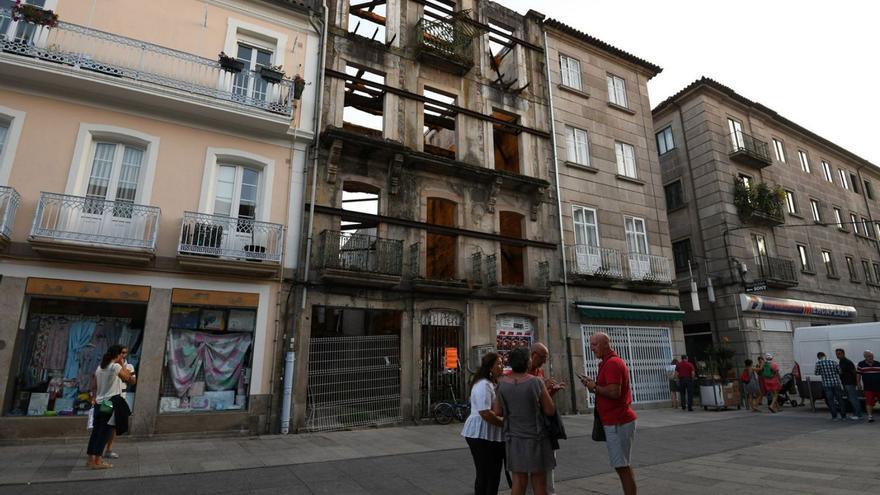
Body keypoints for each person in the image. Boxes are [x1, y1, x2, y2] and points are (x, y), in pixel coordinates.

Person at [492, 347, 556, 495]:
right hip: (536, 437)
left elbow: (497, 412)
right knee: (539, 482)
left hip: (514, 438)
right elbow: (549, 410)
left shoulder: (502, 384)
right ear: (527, 362)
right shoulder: (536, 382)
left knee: (518, 482)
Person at [579, 332, 637, 495]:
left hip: (618, 420)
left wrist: (594, 388)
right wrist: (594, 384)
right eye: (590, 345)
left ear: (606, 344)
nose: (591, 348)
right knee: (621, 465)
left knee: (622, 466)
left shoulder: (612, 363)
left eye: (595, 344)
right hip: (614, 420)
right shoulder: (607, 363)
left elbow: (614, 392)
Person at [461, 352, 505, 495]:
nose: (502, 366)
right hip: (480, 433)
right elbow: (485, 412)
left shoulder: (494, 383)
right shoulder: (483, 385)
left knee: (494, 473)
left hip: (492, 433)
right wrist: (503, 423)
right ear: (490, 367)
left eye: (502, 362)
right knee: (485, 472)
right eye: (498, 363)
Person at [86, 345, 136, 469]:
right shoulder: (115, 366)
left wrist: (93, 397)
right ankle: (97, 460)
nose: (123, 356)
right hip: (109, 402)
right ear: (117, 355)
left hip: (99, 401)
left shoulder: (100, 367)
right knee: (104, 431)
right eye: (122, 354)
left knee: (96, 432)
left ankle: (90, 459)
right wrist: (123, 365)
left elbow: (94, 385)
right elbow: (127, 378)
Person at [527, 343, 564, 495]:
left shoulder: (540, 372)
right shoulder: (522, 376)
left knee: (548, 466)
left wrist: (551, 392)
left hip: (545, 426)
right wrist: (542, 386)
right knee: (530, 469)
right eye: (542, 358)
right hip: (529, 428)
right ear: (533, 354)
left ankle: (549, 491)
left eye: (546, 358)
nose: (544, 361)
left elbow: (544, 402)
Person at [103, 346, 136, 459]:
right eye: (121, 352)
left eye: (125, 353)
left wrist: (123, 367)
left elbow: (132, 381)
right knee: (104, 422)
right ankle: (98, 448)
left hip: (121, 396)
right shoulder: (110, 365)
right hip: (108, 397)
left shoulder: (129, 366)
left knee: (114, 424)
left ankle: (109, 449)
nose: (123, 355)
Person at [814, 351, 844, 421]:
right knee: (840, 400)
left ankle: (834, 416)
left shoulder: (818, 363)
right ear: (825, 355)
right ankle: (843, 416)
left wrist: (823, 372)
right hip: (836, 383)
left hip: (827, 384)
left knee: (830, 401)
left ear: (818, 357)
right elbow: (839, 371)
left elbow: (816, 373)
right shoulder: (833, 361)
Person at [836, 348, 863, 420]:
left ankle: (858, 414)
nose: (838, 355)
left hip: (849, 383)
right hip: (845, 383)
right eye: (837, 354)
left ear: (843, 354)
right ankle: (856, 413)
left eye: (839, 354)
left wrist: (856, 382)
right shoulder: (841, 361)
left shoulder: (847, 362)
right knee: (850, 399)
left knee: (853, 398)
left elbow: (854, 372)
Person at [856, 350, 879, 423]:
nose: (870, 357)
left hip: (879, 386)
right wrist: (858, 383)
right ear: (865, 357)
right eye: (869, 356)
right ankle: (870, 417)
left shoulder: (878, 363)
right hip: (868, 388)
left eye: (871, 356)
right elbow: (858, 375)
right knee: (869, 402)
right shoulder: (861, 364)